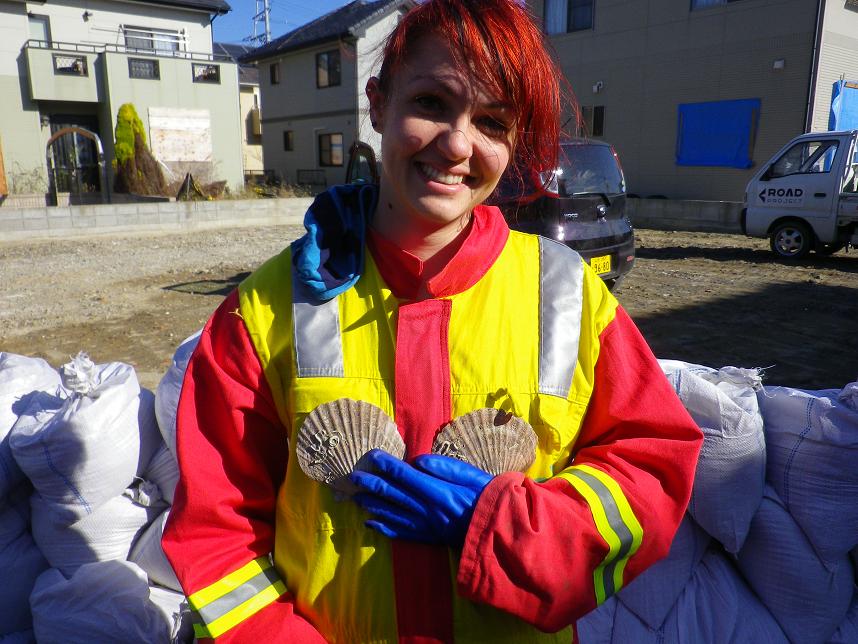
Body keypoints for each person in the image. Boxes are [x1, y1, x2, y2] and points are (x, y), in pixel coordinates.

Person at [162, 1, 703, 642]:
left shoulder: (568, 294)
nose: (456, 144)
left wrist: (504, 525)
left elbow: (650, 474)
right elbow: (220, 541)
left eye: (493, 121)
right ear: (377, 103)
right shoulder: (264, 310)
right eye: (431, 103)